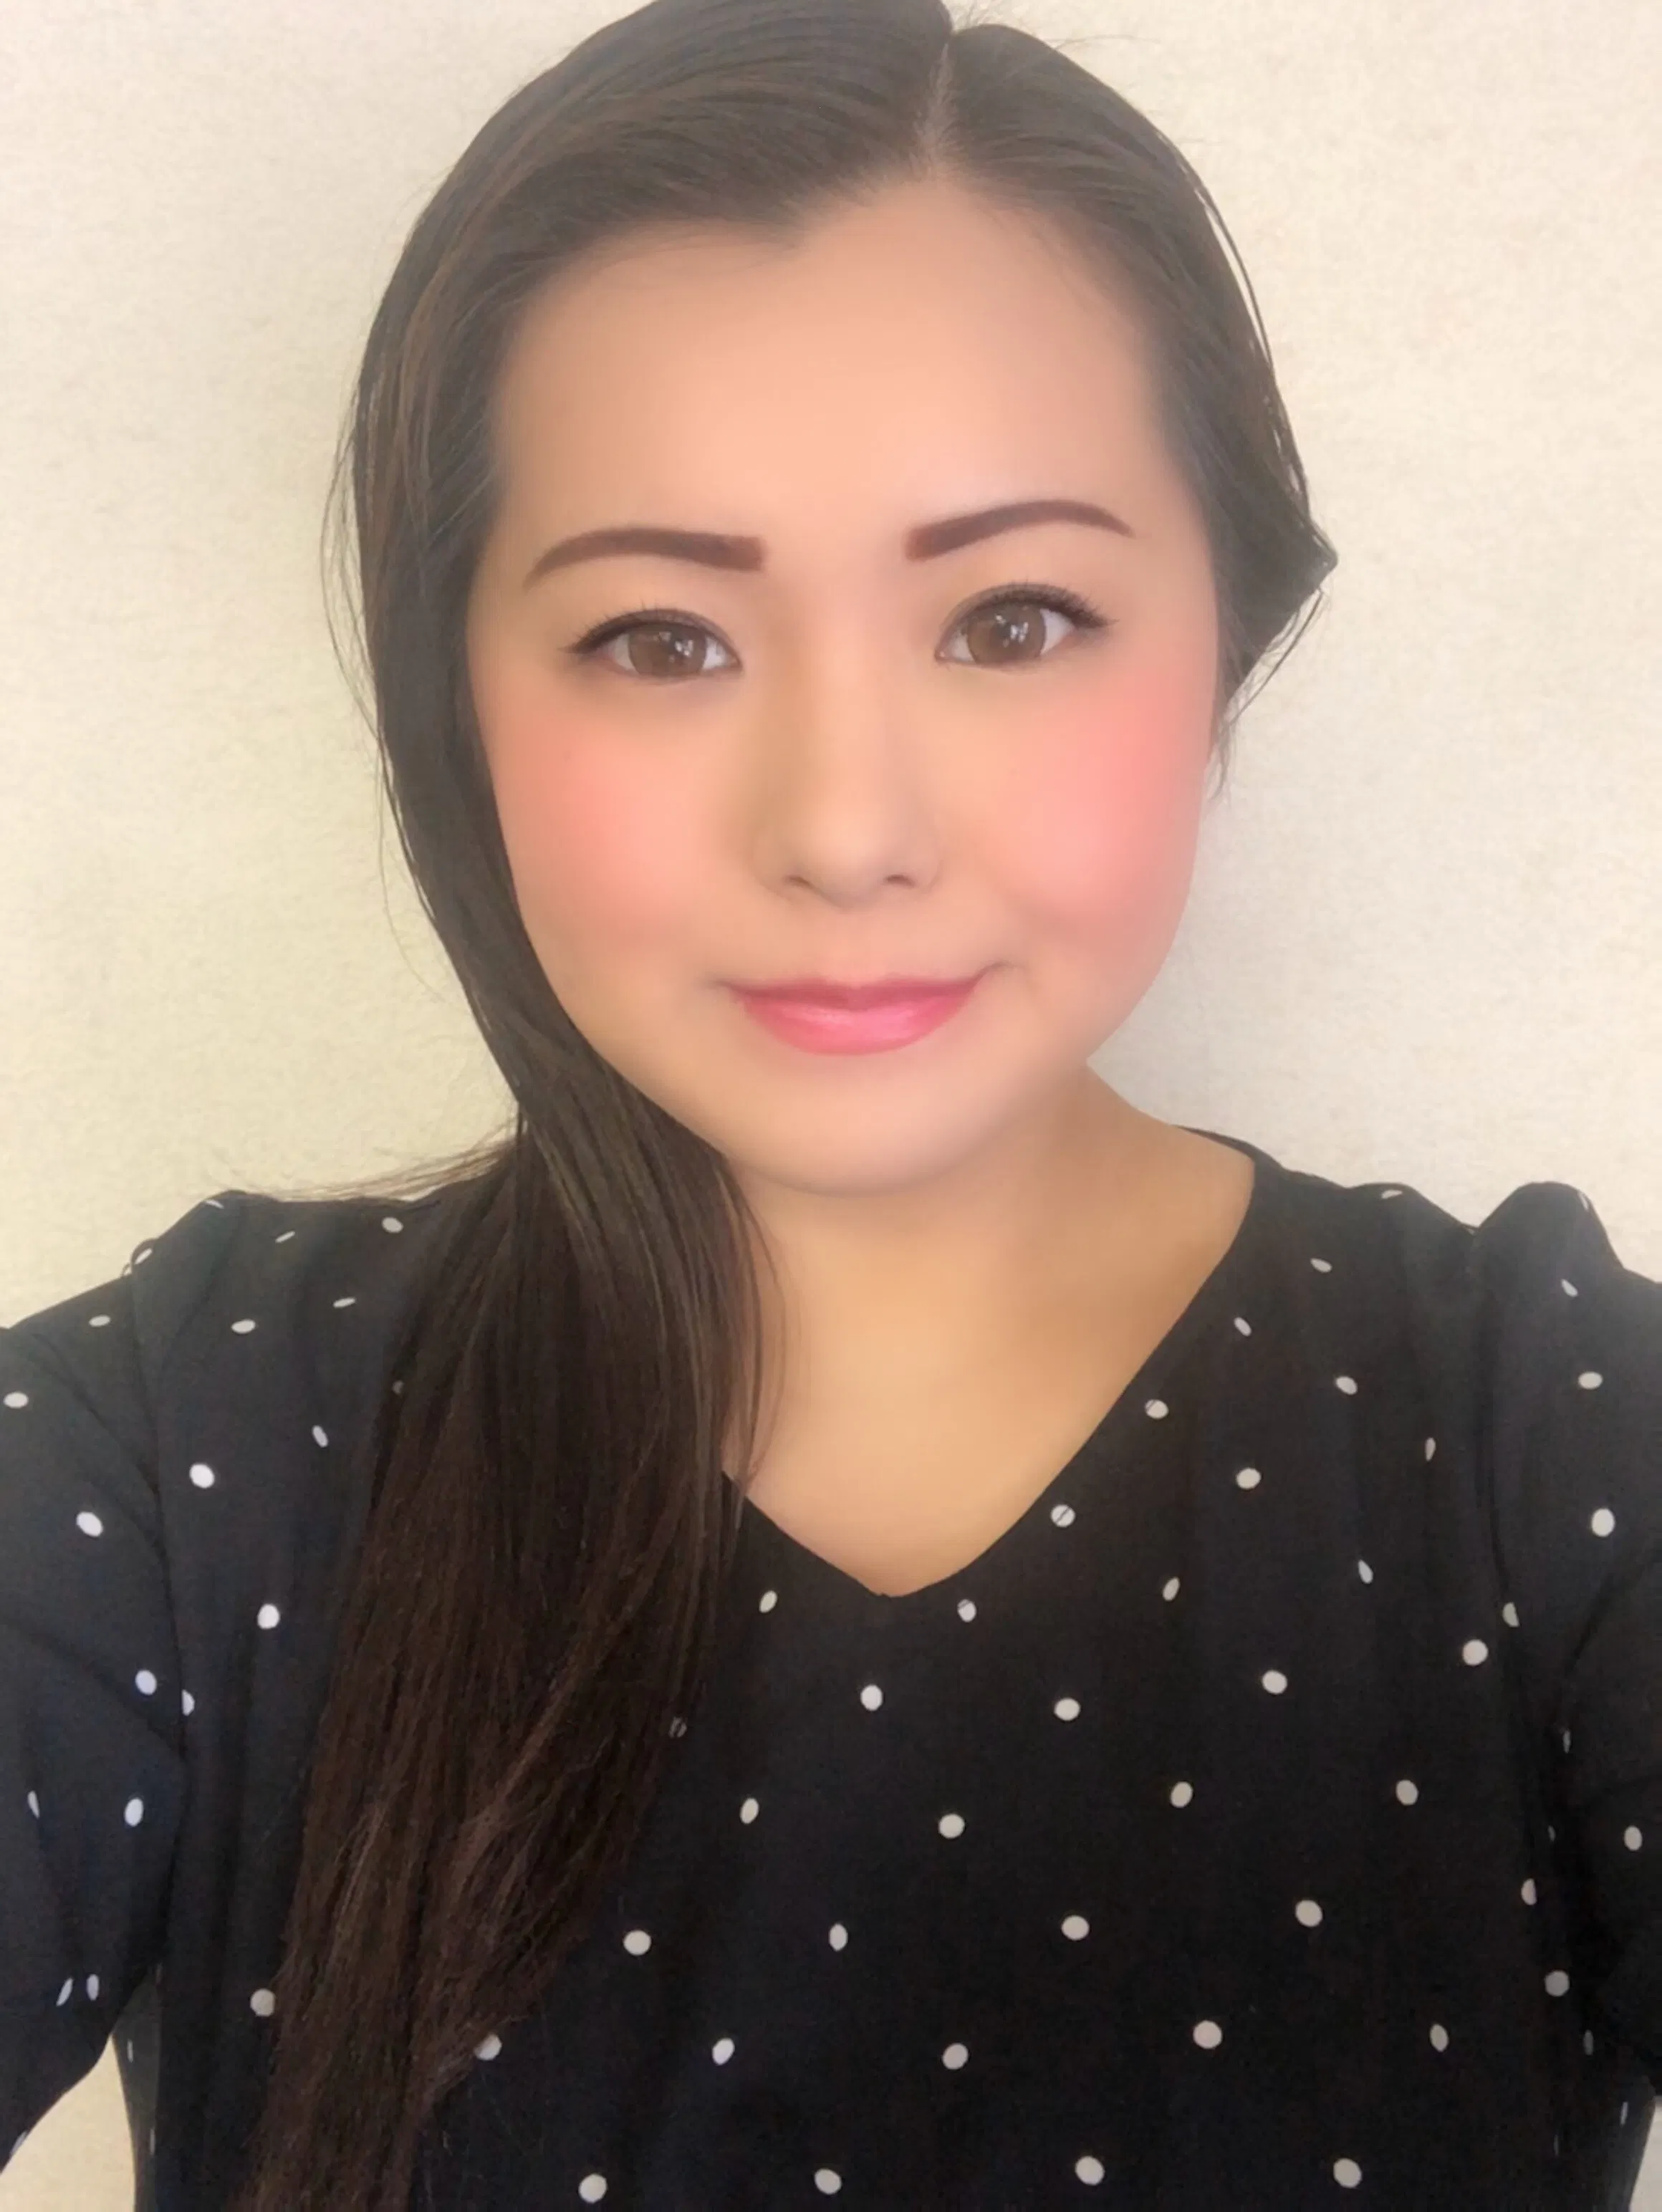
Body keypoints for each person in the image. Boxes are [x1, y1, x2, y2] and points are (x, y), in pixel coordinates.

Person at [2, 0, 1657, 2205]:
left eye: (1014, 619)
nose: (848, 829)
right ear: (456, 703)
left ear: (1228, 643)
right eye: (660, 639)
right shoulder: (180, 1463)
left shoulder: (1546, 1447)